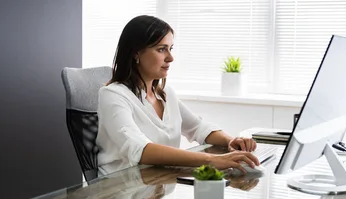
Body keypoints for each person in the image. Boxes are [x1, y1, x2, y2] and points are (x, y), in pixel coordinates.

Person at [96, 15, 260, 175]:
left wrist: (230, 141)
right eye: (161, 49)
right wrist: (211, 160)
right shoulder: (112, 95)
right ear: (136, 54)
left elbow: (198, 127)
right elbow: (140, 149)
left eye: (170, 48)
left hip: (160, 183)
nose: (171, 58)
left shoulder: (166, 94)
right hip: (122, 188)